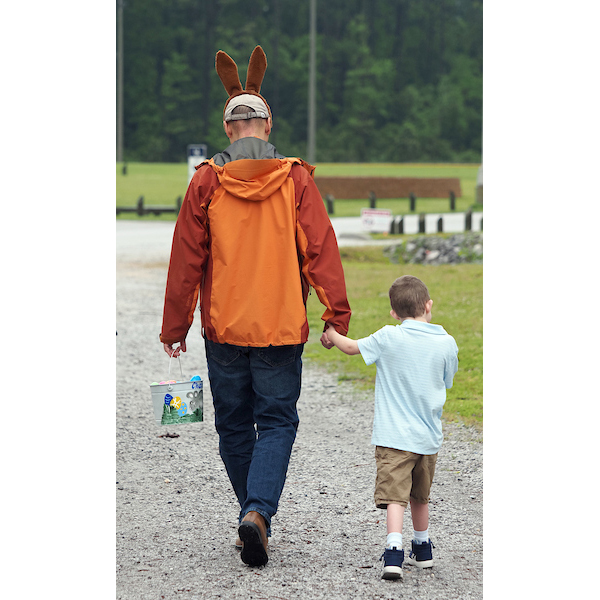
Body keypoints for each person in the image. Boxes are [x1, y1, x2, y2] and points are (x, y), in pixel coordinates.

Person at [159, 46, 351, 568]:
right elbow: (320, 249)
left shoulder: (205, 180)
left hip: (224, 328)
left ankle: (253, 512)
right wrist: (338, 314)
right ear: (267, 124)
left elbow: (186, 259)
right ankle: (258, 514)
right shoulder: (295, 179)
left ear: (228, 130)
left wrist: (175, 325)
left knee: (234, 426)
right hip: (281, 326)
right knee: (278, 422)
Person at [323, 275, 458, 580]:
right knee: (419, 496)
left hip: (394, 437)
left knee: (395, 496)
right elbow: (447, 381)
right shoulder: (447, 343)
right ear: (428, 305)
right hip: (428, 437)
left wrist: (331, 333)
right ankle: (423, 549)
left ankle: (394, 552)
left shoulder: (388, 336)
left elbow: (351, 347)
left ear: (394, 314)